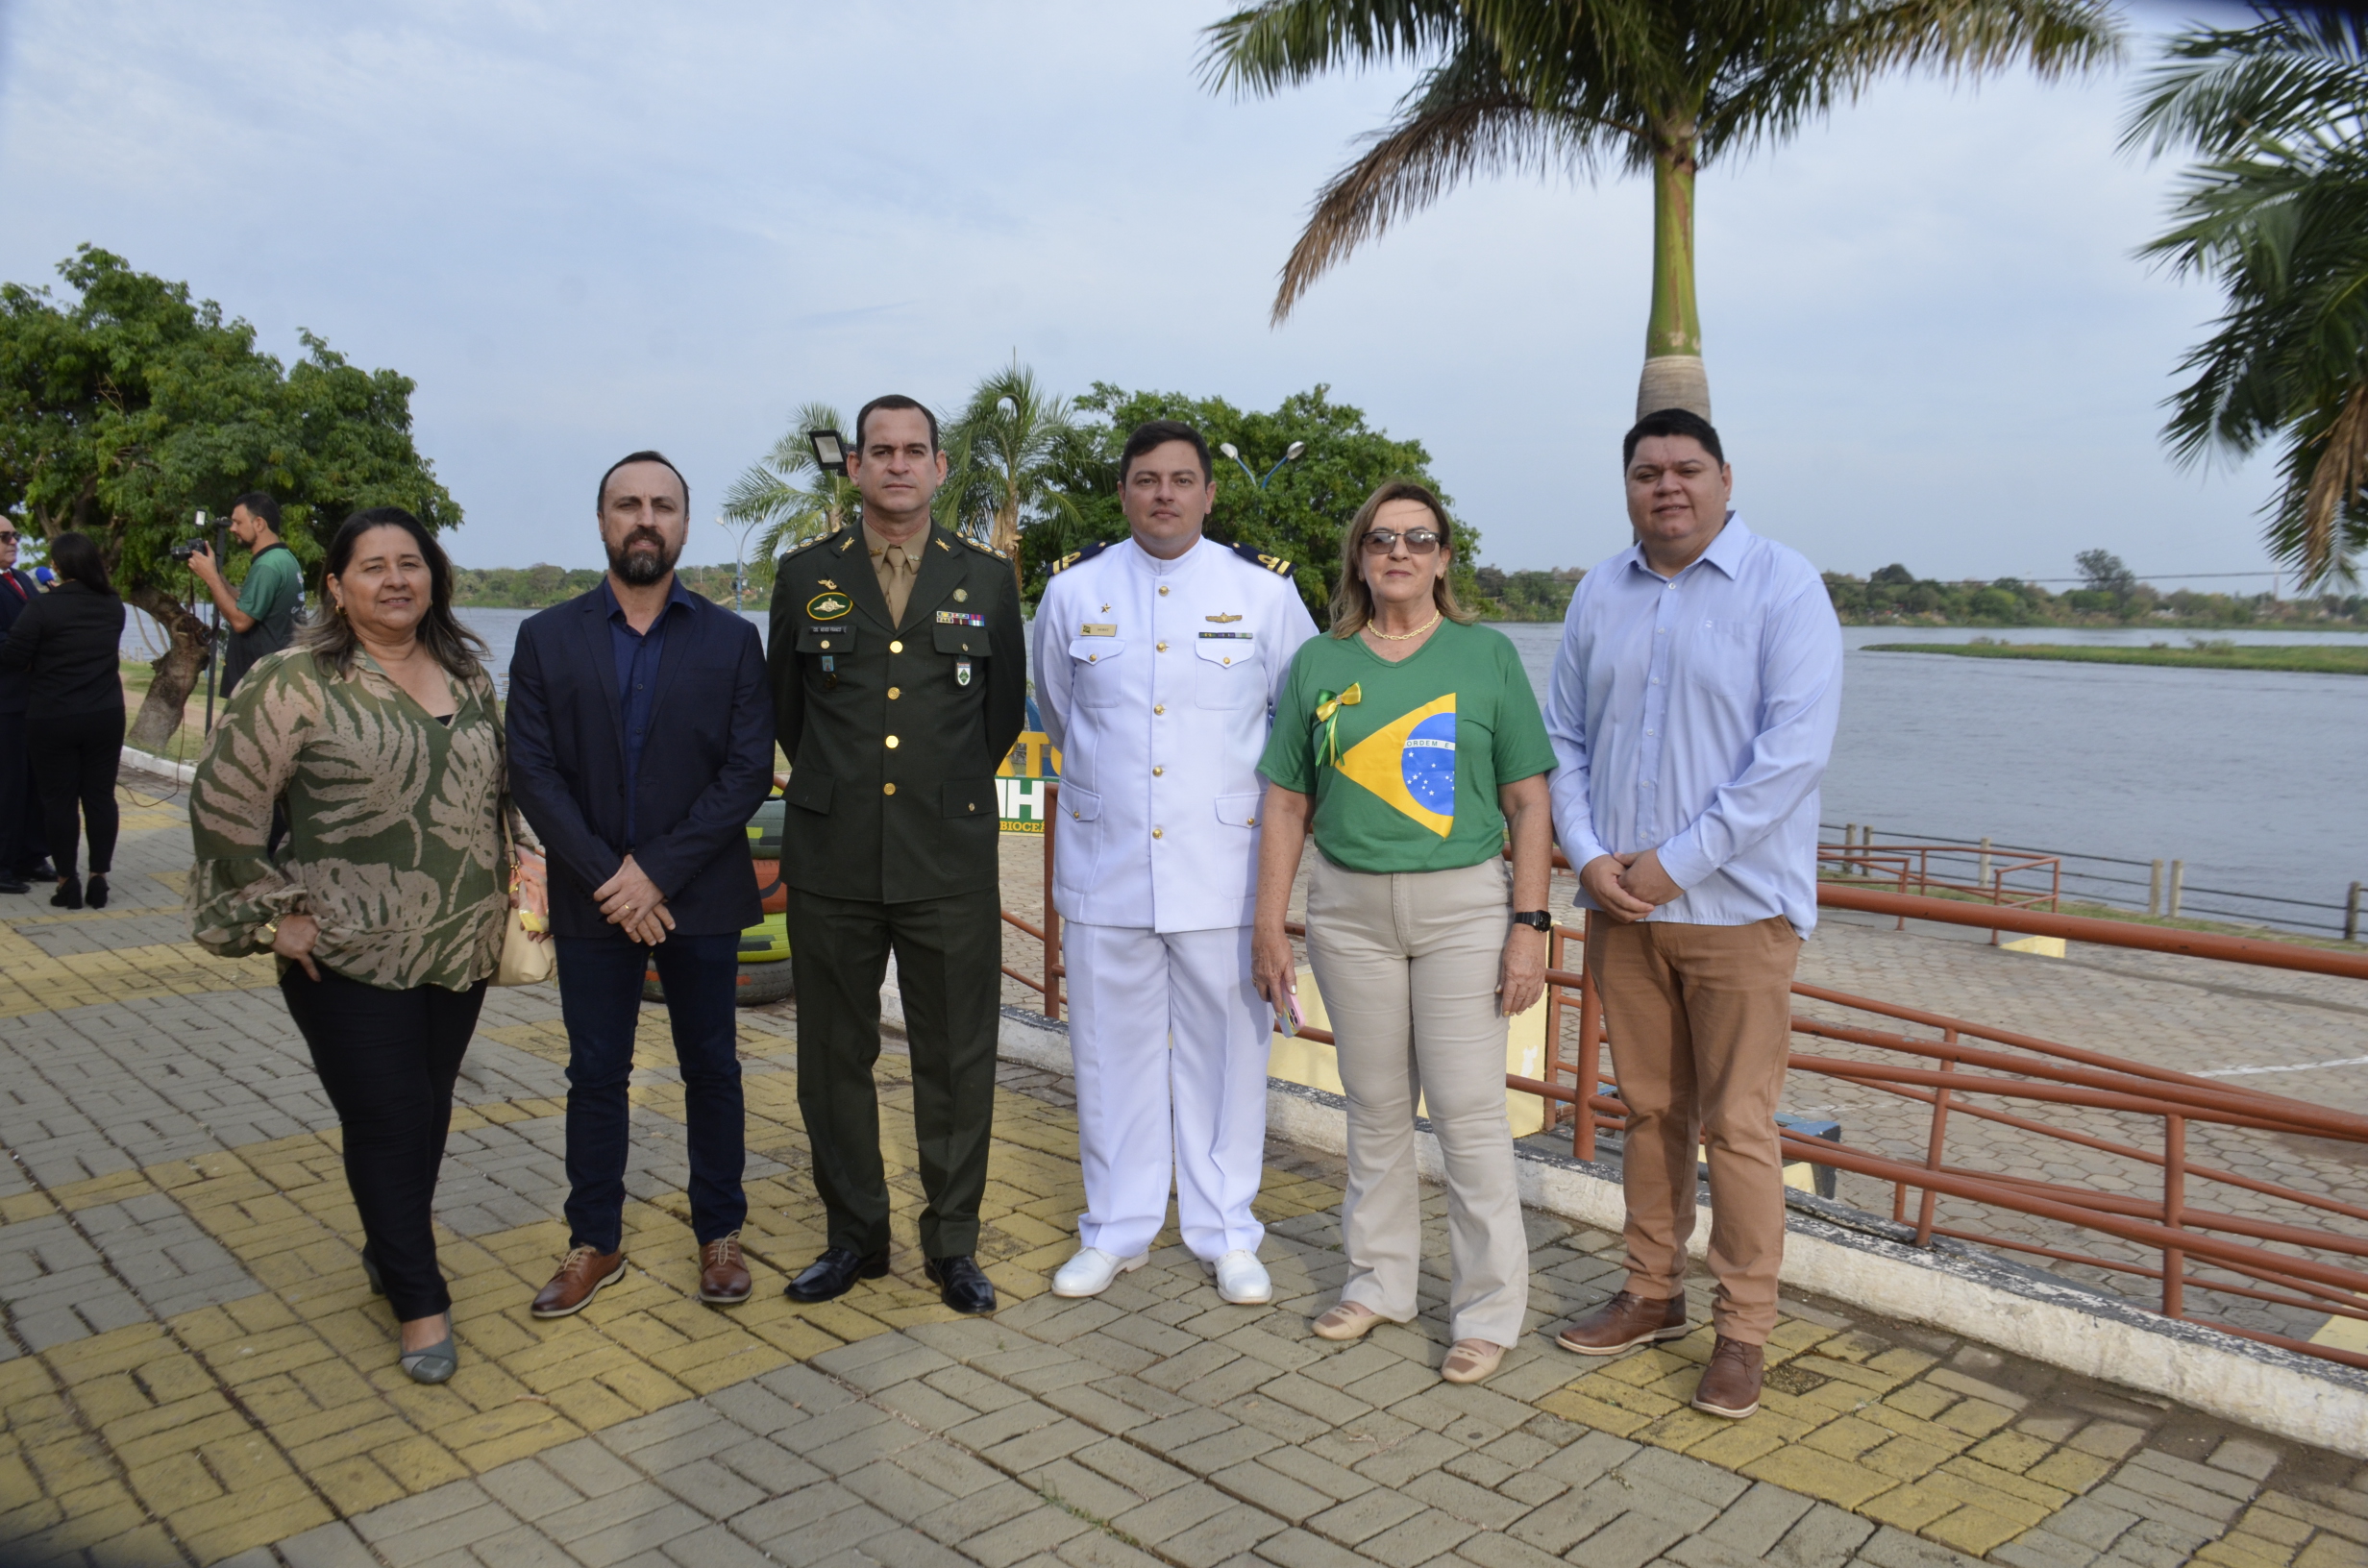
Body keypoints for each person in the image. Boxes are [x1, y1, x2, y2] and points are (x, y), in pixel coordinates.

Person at [1542, 407, 1842, 1422]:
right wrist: (1585, 854)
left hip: (1737, 916)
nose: (1664, 486)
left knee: (1741, 1128)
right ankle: (1650, 1292)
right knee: (1649, 1112)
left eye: (1684, 469)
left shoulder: (1783, 588)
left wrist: (1673, 864)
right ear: (1625, 486)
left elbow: (1790, 756)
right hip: (1621, 910)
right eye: (1644, 472)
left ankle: (1743, 1332)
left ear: (1724, 477)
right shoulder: (1600, 590)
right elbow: (1563, 740)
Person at [187, 506, 531, 1384]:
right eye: (371, 566)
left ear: (435, 577)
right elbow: (223, 807)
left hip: (458, 944)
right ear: (336, 588)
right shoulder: (294, 681)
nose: (394, 579)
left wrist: (524, 879)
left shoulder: (469, 674)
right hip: (343, 948)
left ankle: (391, 1243)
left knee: (430, 1106)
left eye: (409, 562)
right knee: (389, 1119)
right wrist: (274, 912)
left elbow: (498, 797)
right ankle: (421, 1304)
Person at [1251, 480, 1556, 1386]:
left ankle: (1488, 1311)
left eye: (1419, 540)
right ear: (1359, 555)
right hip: (1349, 912)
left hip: (1465, 908)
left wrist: (1530, 925)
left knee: (1468, 1119)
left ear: (1444, 558)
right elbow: (1287, 800)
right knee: (1375, 1113)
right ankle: (1379, 1282)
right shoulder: (1318, 662)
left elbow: (1529, 800)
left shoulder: (1487, 656)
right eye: (1382, 539)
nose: (1399, 553)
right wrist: (1272, 923)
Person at [1031, 420, 1317, 1305]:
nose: (1164, 494)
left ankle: (1227, 1230)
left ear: (1209, 493)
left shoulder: (1263, 596)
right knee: (1107, 1057)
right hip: (1106, 862)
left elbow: (1298, 726)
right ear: (1122, 492)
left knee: (1227, 1059)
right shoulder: (1076, 592)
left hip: (1222, 871)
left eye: (1182, 480)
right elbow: (1056, 709)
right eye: (1146, 479)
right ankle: (1115, 1229)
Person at [769, 395, 1026, 1315]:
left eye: (915, 451)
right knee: (831, 1055)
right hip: (834, 855)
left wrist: (936, 788)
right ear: (855, 468)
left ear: (940, 468)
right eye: (880, 451)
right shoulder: (804, 575)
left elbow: (999, 717)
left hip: (947, 854)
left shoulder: (988, 581)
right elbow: (788, 712)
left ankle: (953, 1243)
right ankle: (854, 1238)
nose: (898, 466)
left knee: (956, 1056)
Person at [506, 451, 774, 1318]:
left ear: (684, 525)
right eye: (628, 504)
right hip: (592, 900)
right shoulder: (547, 637)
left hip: (698, 895)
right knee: (595, 1073)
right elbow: (533, 773)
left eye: (663, 505)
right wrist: (611, 879)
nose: (645, 518)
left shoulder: (733, 640)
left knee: (712, 1069)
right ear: (602, 522)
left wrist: (654, 873)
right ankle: (596, 1241)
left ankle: (720, 1235)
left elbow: (743, 775)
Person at [0, 532, 127, 910]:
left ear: (58, 565)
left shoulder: (44, 607)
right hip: (105, 713)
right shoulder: (113, 604)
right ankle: (99, 878)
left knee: (59, 802)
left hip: (53, 714)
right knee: (101, 798)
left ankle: (66, 881)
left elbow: (13, 654)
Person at [187, 491, 305, 697]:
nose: (232, 529)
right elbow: (246, 602)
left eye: (238, 523)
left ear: (259, 524)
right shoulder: (283, 558)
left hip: (258, 685)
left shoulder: (267, 565)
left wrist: (211, 579)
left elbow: (241, 621)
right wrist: (215, 573)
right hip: (274, 679)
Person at [0, 523, 53, 894]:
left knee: (35, 783)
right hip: (5, 700)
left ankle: (31, 855)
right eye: (5, 537)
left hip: (35, 701)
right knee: (7, 786)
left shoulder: (21, 578)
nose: (14, 542)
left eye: (15, 535)